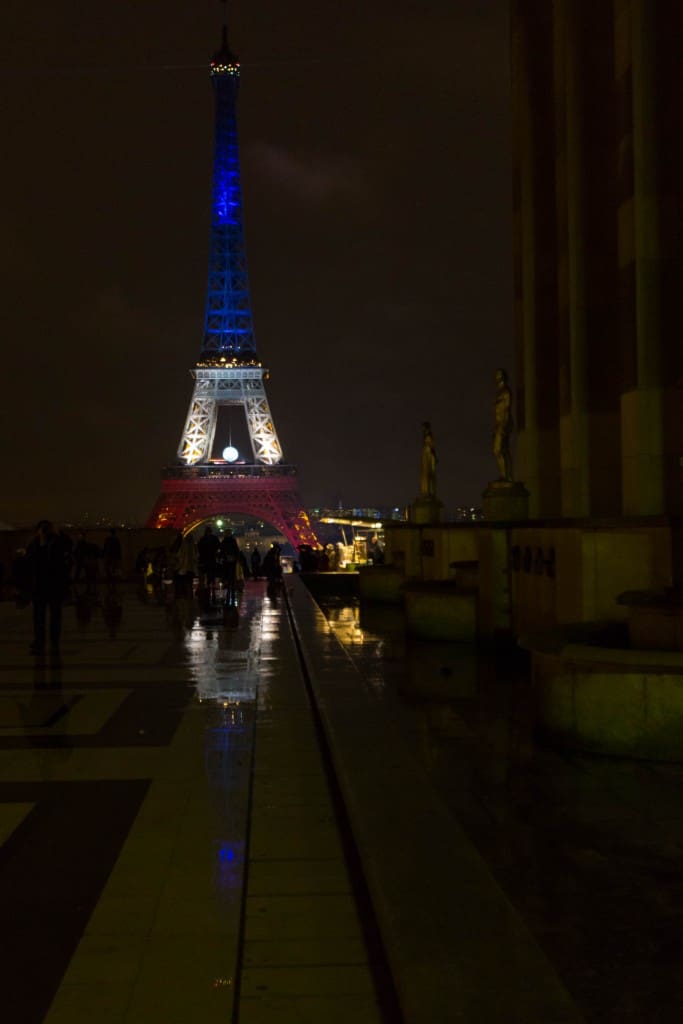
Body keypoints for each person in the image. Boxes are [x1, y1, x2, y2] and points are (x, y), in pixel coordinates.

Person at [25, 520, 70, 655]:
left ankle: (48, 641)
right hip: (43, 585)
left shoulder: (52, 543)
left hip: (50, 585)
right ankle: (43, 641)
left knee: (47, 615)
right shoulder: (37, 545)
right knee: (44, 616)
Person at [493, 368, 514, 481]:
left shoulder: (506, 392)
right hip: (499, 424)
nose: (497, 377)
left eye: (499, 375)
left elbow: (507, 408)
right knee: (503, 450)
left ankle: (505, 476)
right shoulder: (500, 392)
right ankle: (506, 475)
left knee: (498, 449)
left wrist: (503, 425)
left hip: (503, 423)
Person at [218, 529, 240, 606]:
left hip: (226, 561)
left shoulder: (224, 542)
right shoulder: (233, 541)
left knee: (227, 573)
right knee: (231, 573)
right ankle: (231, 585)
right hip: (231, 561)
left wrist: (222, 557)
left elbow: (221, 551)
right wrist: (235, 558)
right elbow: (237, 550)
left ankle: (228, 584)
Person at [197, 526, 220, 590]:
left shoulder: (202, 539)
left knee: (206, 571)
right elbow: (218, 546)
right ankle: (212, 582)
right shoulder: (214, 538)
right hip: (212, 557)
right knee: (212, 570)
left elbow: (199, 548)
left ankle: (208, 583)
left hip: (205, 558)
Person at [420, 421, 437, 498]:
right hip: (426, 455)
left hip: (428, 455)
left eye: (424, 427)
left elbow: (431, 446)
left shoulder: (429, 435)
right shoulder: (426, 435)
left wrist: (433, 455)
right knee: (425, 474)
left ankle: (428, 492)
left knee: (428, 473)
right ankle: (426, 492)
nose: (423, 429)